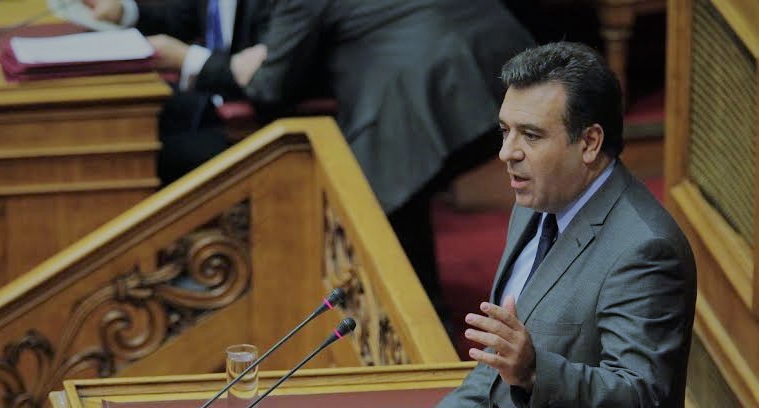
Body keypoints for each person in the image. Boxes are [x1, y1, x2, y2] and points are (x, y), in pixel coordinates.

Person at [353, 42, 698, 408]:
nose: (506, 152)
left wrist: (537, 372)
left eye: (530, 135)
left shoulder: (644, 249)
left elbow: (640, 399)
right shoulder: (534, 204)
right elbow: (502, 351)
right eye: (505, 130)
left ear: (590, 142)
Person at [232, 0, 534, 315]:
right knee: (406, 189)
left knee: (378, 207)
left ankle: (420, 326)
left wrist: (239, 66)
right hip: (503, 52)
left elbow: (270, 88)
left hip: (425, 81)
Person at [84, 0, 272, 182]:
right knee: (119, 126)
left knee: (131, 157)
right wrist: (123, 11)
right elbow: (181, 17)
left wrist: (186, 59)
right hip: (211, 99)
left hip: (256, 127)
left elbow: (269, 84)